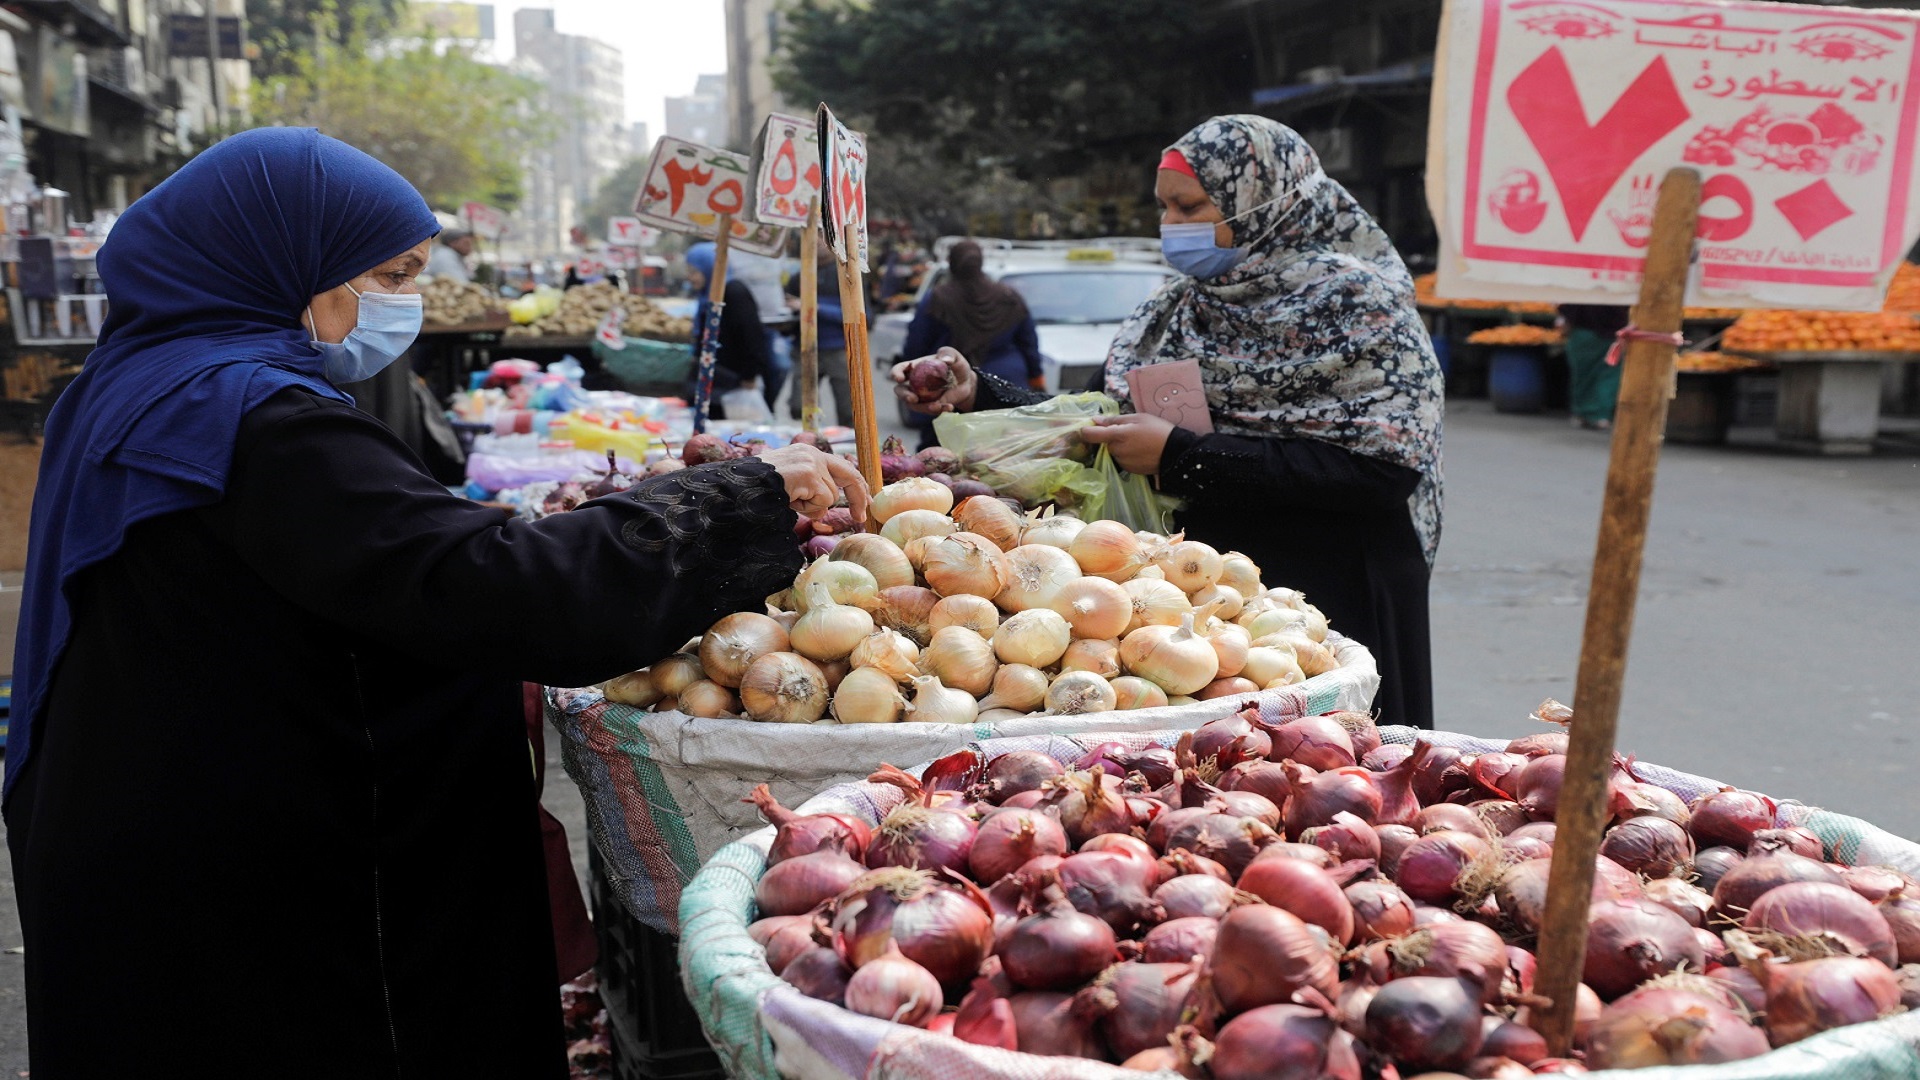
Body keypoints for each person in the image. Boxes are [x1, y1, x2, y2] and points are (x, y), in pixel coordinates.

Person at [5, 128, 867, 1077]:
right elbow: (507, 595)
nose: (404, 300)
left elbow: (364, 552)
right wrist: (743, 499)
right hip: (268, 874)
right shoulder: (253, 415)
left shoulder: (139, 379)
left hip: (171, 828)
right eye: (390, 273)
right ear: (294, 261)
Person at [893, 116, 1443, 728]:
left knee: (1336, 777)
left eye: (1189, 207)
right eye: (1164, 208)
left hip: (1334, 590)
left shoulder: (1358, 306)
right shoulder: (1175, 309)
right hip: (1197, 603)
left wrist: (1183, 456)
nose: (1172, 227)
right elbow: (1106, 421)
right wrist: (981, 394)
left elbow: (1382, 471)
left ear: (1269, 205)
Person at [901, 239, 1045, 448]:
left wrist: (912, 373)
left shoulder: (938, 299)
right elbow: (1029, 344)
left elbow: (917, 343)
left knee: (941, 461)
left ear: (952, 263)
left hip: (948, 388)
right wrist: (1036, 379)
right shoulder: (1009, 297)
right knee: (1006, 454)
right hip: (1005, 385)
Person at [685, 240, 774, 420]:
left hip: (734, 382)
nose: (691, 278)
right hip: (715, 380)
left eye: (694, 271)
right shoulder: (706, 296)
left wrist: (749, 376)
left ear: (710, 267)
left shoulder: (734, 292)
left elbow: (752, 336)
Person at [784, 240, 856, 425]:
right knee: (800, 408)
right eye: (813, 235)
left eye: (822, 235)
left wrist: (815, 307)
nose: (817, 241)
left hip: (839, 349)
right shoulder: (797, 279)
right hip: (805, 348)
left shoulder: (847, 276)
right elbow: (788, 319)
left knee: (849, 409)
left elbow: (860, 317)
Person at [728, 248, 796, 411]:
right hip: (747, 322)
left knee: (780, 367)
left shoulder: (777, 248)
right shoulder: (733, 250)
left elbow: (781, 279)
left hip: (773, 323)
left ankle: (768, 406)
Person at [1558, 303, 1632, 430]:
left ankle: (1583, 412)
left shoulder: (1586, 288)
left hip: (1585, 333)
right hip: (1612, 334)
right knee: (1608, 376)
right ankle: (1600, 415)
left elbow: (1567, 308)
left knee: (1584, 375)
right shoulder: (1620, 290)